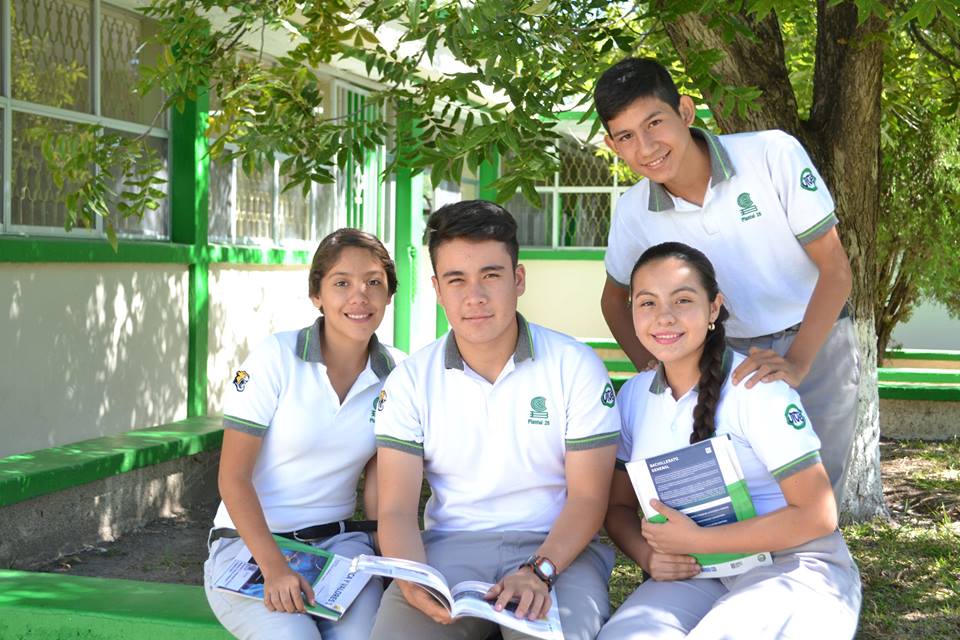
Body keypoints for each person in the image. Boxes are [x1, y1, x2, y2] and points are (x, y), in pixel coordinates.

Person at [595, 57, 859, 502]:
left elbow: (836, 270)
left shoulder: (771, 154)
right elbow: (613, 300)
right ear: (612, 144)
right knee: (730, 499)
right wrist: (657, 367)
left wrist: (797, 362)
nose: (646, 146)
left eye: (655, 123)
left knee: (816, 498)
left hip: (816, 339)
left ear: (685, 111)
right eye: (626, 136)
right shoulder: (633, 210)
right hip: (719, 355)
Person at [369, 200, 621, 640]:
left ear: (518, 279)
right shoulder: (410, 379)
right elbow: (395, 510)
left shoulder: (575, 365)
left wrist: (539, 571)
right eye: (456, 280)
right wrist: (412, 580)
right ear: (437, 289)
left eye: (491, 275)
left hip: (558, 551)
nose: (475, 297)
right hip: (449, 553)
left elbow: (588, 499)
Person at [598, 242, 861, 639]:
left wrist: (699, 538)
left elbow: (818, 514)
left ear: (713, 308)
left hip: (792, 564)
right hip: (698, 570)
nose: (664, 317)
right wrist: (648, 555)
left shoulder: (756, 387)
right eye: (647, 303)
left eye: (682, 300)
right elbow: (617, 507)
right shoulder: (634, 397)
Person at [203, 228, 404, 640]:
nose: (359, 296)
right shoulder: (275, 357)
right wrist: (275, 568)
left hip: (340, 548)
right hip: (249, 546)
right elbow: (233, 478)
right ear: (316, 295)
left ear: (389, 295)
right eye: (342, 283)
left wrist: (392, 566)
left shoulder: (398, 374)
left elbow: (379, 488)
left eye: (373, 283)